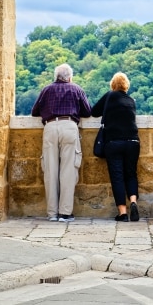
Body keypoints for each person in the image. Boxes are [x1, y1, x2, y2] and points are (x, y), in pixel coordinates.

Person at [31, 63, 92, 222]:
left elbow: (34, 112)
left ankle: (52, 213)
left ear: (56, 76)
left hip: (50, 127)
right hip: (69, 126)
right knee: (68, 171)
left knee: (50, 170)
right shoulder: (76, 89)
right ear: (69, 77)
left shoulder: (46, 90)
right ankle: (65, 213)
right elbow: (87, 111)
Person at [91, 72, 141, 222]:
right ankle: (133, 201)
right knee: (131, 174)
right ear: (126, 85)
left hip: (114, 143)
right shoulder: (131, 101)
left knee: (117, 177)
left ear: (113, 85)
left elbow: (93, 112)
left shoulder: (109, 96)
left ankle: (123, 213)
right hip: (133, 142)